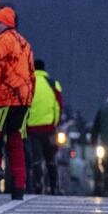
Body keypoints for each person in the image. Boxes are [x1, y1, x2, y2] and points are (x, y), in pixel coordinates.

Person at [0, 7, 35, 200]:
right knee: (16, 143)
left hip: (2, 100)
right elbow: (31, 76)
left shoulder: (0, 42)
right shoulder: (26, 44)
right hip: (22, 102)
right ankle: (19, 186)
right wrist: (28, 100)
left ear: (7, 24)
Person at [26, 59, 64, 194]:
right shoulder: (53, 83)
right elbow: (58, 105)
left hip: (31, 128)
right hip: (48, 128)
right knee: (50, 159)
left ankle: (37, 185)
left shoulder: (27, 83)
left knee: (36, 158)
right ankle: (54, 186)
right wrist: (56, 122)